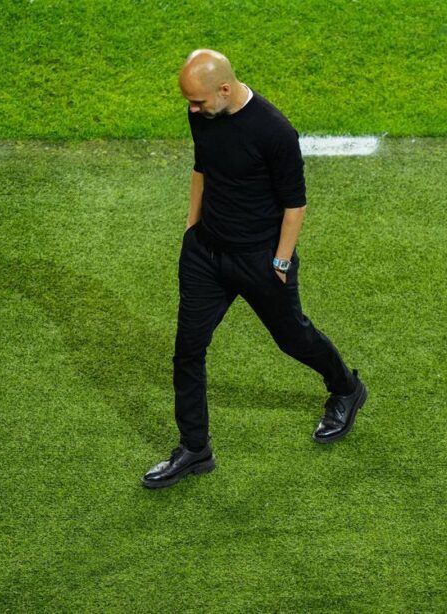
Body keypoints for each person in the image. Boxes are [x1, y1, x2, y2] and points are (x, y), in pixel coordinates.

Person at [142, 49, 367, 489]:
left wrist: (280, 262)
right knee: (188, 349)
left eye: (198, 102)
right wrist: (191, 229)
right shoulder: (203, 112)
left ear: (224, 89)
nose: (192, 110)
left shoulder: (274, 131)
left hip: (259, 258)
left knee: (293, 337)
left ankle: (345, 388)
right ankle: (195, 448)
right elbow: (202, 168)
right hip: (206, 254)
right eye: (189, 102)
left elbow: (295, 204)